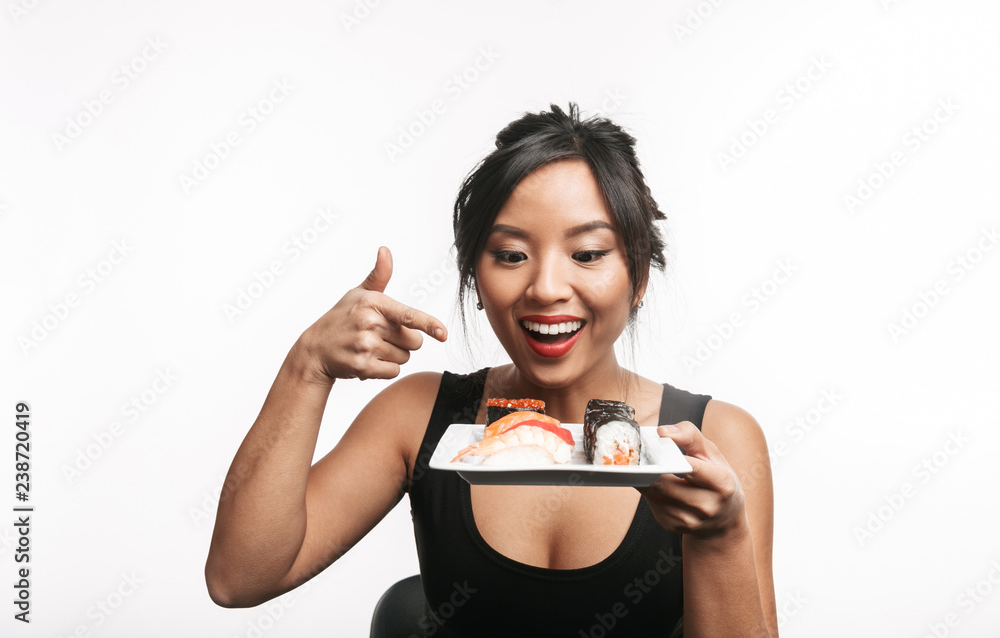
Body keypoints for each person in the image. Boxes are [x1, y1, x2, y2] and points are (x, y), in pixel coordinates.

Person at [205, 104, 777, 637]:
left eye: (588, 254)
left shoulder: (716, 440)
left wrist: (721, 536)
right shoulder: (419, 417)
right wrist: (306, 367)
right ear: (476, 278)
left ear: (640, 278)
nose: (547, 289)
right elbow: (239, 577)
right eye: (510, 255)